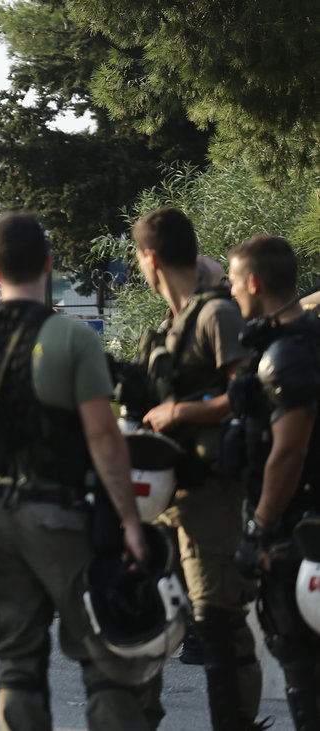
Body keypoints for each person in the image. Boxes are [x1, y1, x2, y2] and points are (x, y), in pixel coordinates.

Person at [0, 212, 150, 730]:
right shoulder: (74, 340)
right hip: (65, 517)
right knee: (105, 660)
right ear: (48, 265)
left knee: (18, 667)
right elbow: (103, 438)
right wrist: (131, 524)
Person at [129, 207, 262, 729]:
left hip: (209, 492)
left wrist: (181, 411)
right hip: (161, 495)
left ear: (151, 258)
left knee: (217, 618)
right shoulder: (165, 328)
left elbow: (247, 391)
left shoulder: (215, 316)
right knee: (150, 613)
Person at [225, 234, 320, 730]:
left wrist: (259, 528)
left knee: (303, 665)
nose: (233, 292)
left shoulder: (289, 356)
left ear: (255, 283)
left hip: (297, 533)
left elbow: (288, 451)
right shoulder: (295, 342)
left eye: (236, 283)